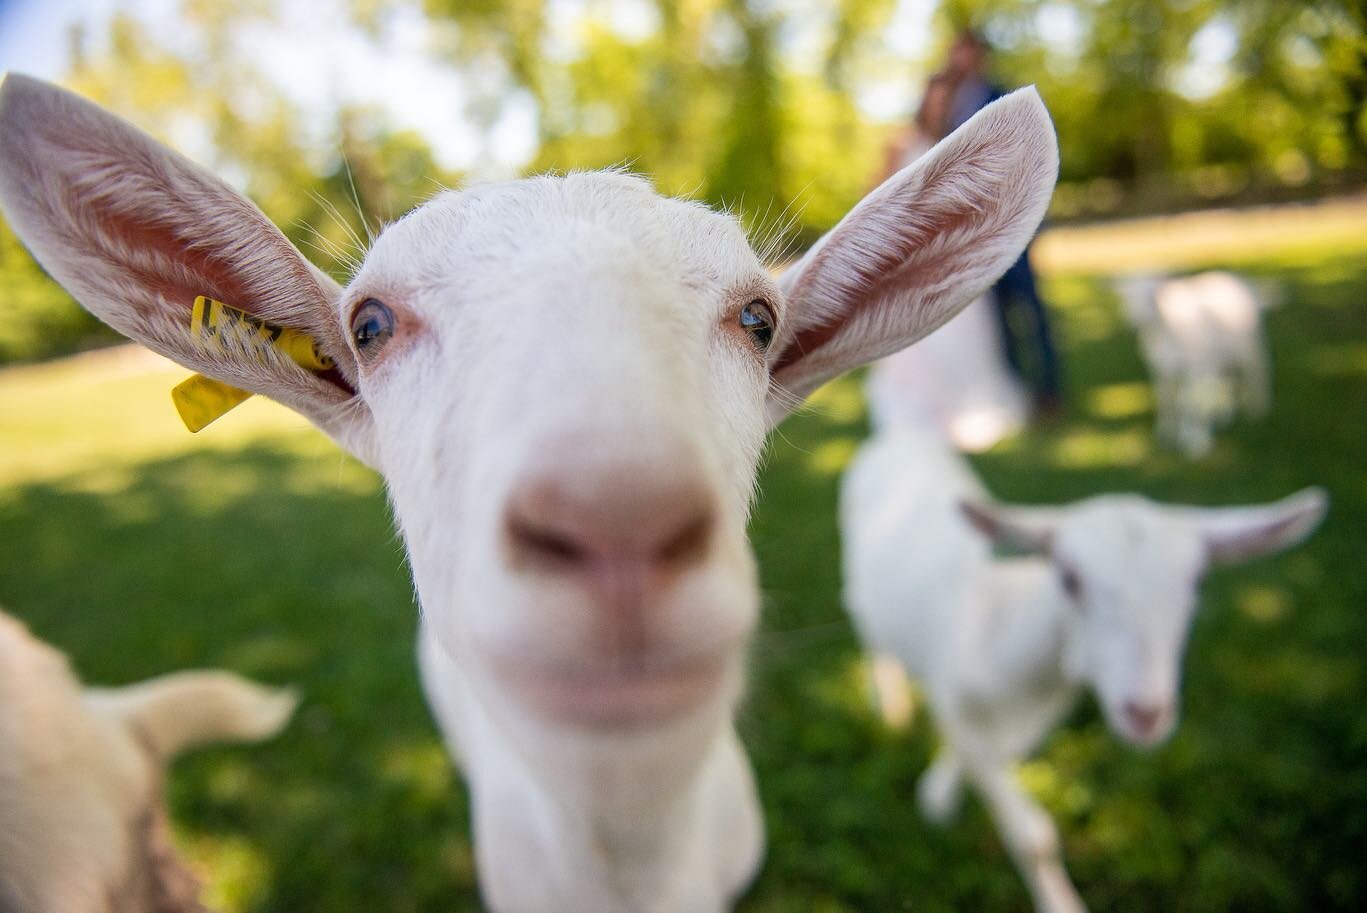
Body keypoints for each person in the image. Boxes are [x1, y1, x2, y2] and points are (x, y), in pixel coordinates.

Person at [894, 29, 1063, 416]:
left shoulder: (1003, 98)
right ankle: (1016, 384)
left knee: (1032, 311)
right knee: (998, 320)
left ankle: (1051, 391)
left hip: (1011, 229)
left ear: (980, 55)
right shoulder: (947, 111)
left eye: (967, 52)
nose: (961, 59)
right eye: (956, 51)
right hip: (967, 239)